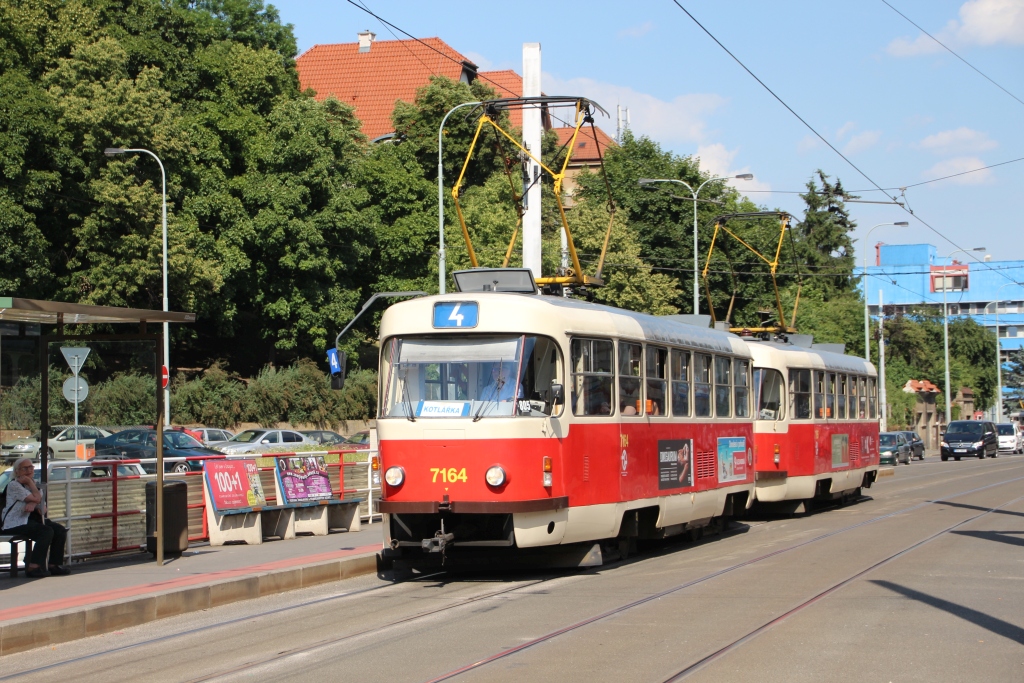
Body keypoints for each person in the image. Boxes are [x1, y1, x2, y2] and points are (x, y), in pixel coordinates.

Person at [1, 458, 70, 578]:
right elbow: (38, 498)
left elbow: (42, 508)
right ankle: (33, 566)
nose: (29, 471)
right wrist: (34, 494)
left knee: (59, 530)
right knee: (45, 532)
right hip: (15, 522)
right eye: (25, 468)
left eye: (30, 467)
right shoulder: (14, 485)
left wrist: (33, 503)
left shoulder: (33, 485)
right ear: (17, 471)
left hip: (32, 519)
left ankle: (54, 564)